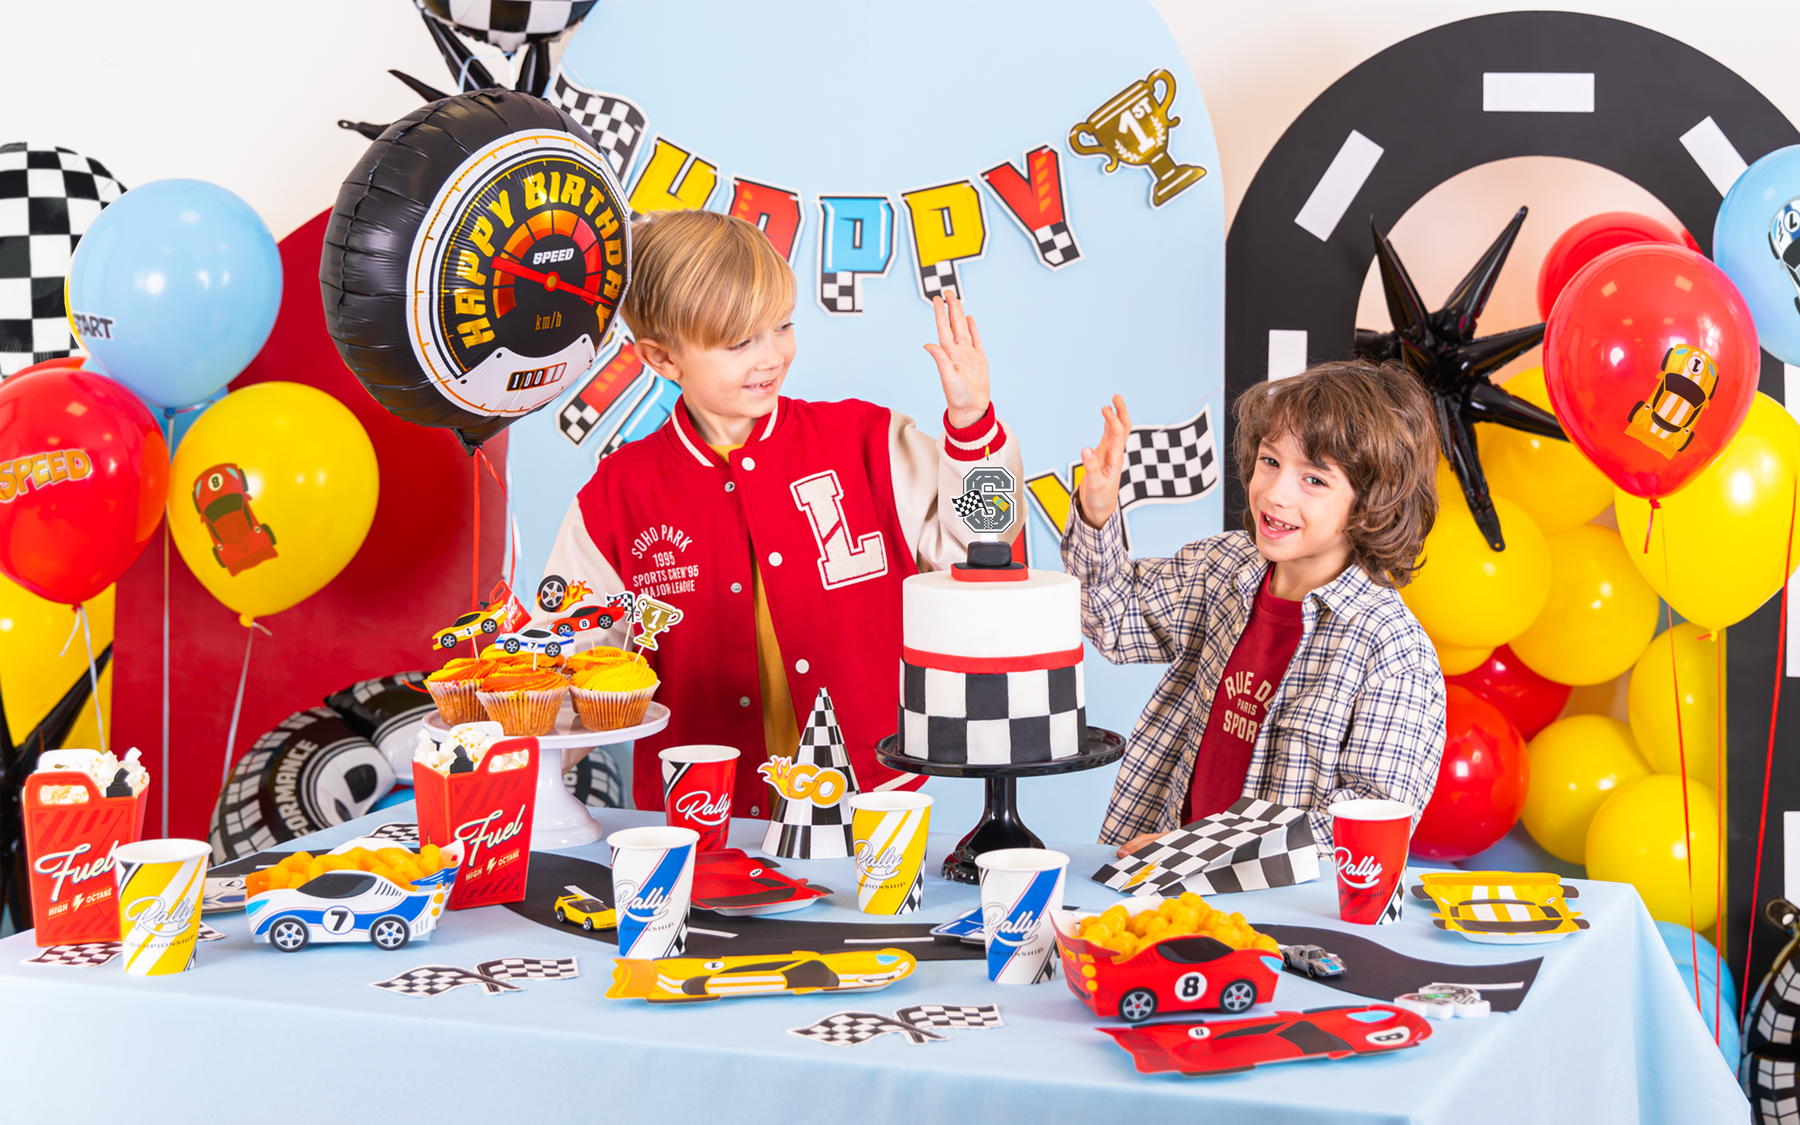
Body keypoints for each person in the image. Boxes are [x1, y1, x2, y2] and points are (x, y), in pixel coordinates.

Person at [535, 209, 1022, 815]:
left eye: (783, 326)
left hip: (870, 805)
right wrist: (517, 776)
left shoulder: (866, 440)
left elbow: (983, 547)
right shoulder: (617, 494)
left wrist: (972, 424)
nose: (771, 357)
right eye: (739, 342)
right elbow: (574, 671)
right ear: (662, 359)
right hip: (698, 814)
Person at [1062, 359, 1446, 855]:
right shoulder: (1222, 566)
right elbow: (1113, 619)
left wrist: (1203, 850)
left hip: (1270, 901)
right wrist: (1097, 513)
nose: (1275, 493)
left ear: (1373, 504)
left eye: (1314, 479)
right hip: (1156, 880)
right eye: (1270, 461)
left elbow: (1370, 825)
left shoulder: (1393, 650)